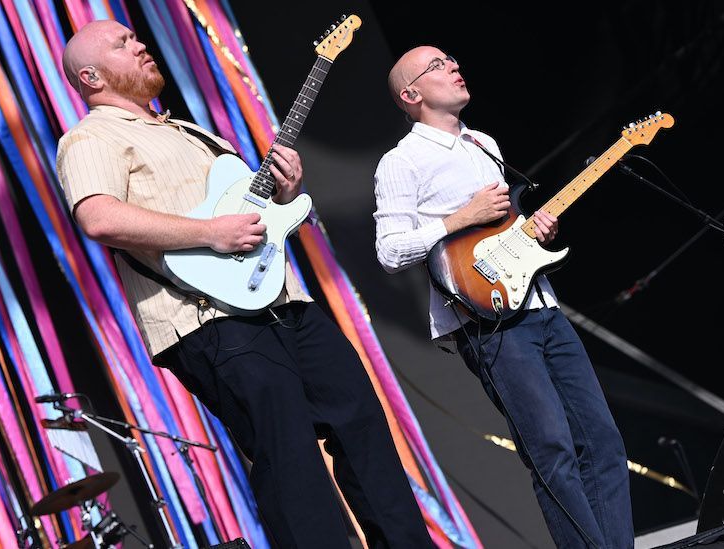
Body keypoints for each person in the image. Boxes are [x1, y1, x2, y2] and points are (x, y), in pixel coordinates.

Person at [55, 20, 433, 549]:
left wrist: (283, 196)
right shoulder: (91, 137)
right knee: (290, 456)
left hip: (283, 301)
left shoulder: (193, 131)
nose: (139, 43)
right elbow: (97, 218)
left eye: (136, 36)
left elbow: (250, 219)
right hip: (207, 319)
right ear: (90, 76)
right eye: (122, 44)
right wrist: (210, 232)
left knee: (364, 426)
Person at [373, 45, 634, 548]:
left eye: (451, 60)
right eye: (438, 66)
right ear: (411, 94)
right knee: (552, 452)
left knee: (602, 441)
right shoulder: (401, 162)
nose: (454, 67)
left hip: (542, 304)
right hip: (489, 325)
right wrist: (459, 218)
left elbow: (504, 228)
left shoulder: (483, 141)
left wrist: (534, 229)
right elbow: (389, 251)